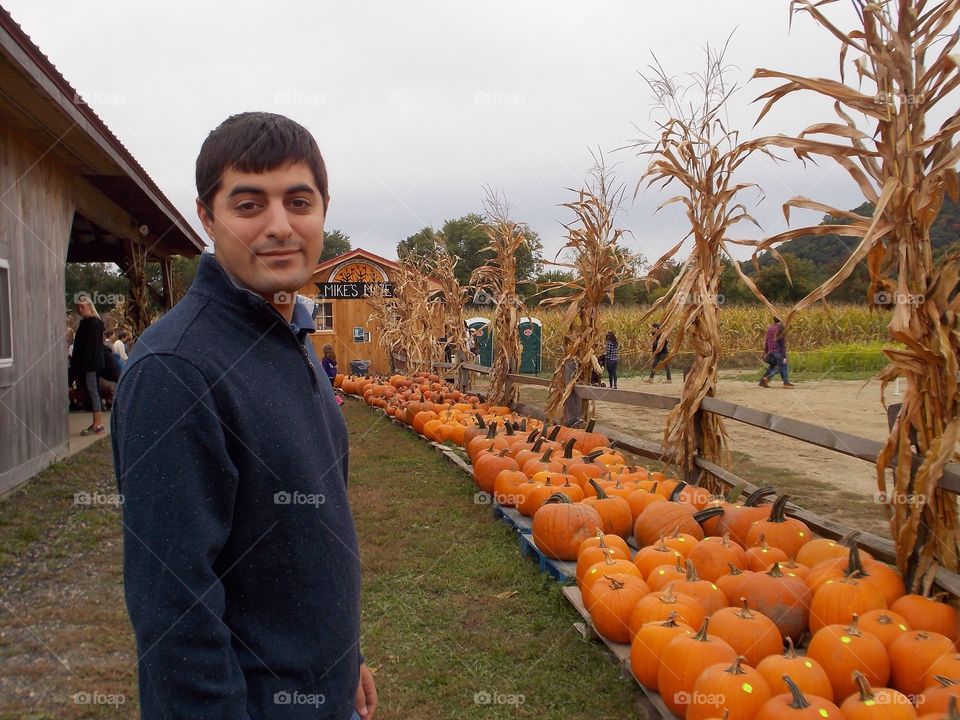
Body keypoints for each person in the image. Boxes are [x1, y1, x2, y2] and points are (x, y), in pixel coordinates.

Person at [111, 112, 376, 720]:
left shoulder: (289, 334)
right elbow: (173, 612)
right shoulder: (177, 370)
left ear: (324, 208)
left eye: (298, 201)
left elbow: (305, 541)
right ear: (207, 217)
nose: (280, 227)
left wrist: (343, 660)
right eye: (249, 205)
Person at [69, 294, 105, 435]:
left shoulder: (94, 324)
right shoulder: (87, 324)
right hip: (87, 365)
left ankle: (98, 424)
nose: (80, 309)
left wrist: (86, 365)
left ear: (89, 307)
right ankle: (96, 423)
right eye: (78, 307)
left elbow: (92, 348)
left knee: (93, 392)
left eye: (82, 306)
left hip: (91, 365)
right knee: (91, 392)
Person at [760, 316, 794, 388]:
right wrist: (784, 356)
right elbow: (782, 344)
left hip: (771, 351)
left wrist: (766, 351)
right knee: (782, 366)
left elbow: (767, 340)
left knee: (773, 366)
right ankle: (768, 378)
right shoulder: (780, 328)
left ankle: (762, 382)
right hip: (777, 351)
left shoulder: (770, 327)